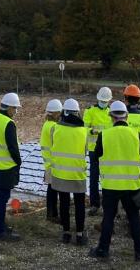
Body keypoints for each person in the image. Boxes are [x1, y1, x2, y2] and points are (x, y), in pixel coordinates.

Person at [89, 101, 140, 262]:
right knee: (134, 218)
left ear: (111, 117)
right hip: (132, 185)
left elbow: (96, 156)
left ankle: (103, 249)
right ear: (127, 116)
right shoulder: (137, 135)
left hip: (111, 185)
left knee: (108, 217)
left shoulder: (105, 135)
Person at [50, 98, 89, 245]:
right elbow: (85, 151)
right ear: (78, 112)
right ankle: (79, 234)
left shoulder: (56, 128)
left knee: (64, 203)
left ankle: (66, 233)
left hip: (60, 173)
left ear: (64, 112)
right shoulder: (83, 131)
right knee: (79, 204)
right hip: (77, 173)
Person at [0, 92, 23, 241]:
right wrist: (18, 162)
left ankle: (0, 226)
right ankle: (0, 231)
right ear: (9, 108)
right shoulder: (9, 124)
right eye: (15, 108)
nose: (16, 112)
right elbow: (13, 148)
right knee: (2, 198)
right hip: (6, 167)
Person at [84, 87, 114, 216]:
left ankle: (108, 204)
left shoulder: (111, 112)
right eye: (102, 100)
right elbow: (83, 129)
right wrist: (91, 131)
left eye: (105, 101)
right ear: (98, 99)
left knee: (108, 177)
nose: (104, 102)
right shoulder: (90, 111)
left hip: (108, 149)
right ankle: (94, 204)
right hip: (94, 149)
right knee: (94, 177)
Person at [41, 98, 63, 222]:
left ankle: (51, 214)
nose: (60, 115)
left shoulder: (46, 124)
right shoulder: (54, 127)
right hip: (54, 163)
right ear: (55, 113)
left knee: (51, 190)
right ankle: (52, 215)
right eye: (59, 113)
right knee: (54, 191)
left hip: (48, 163)